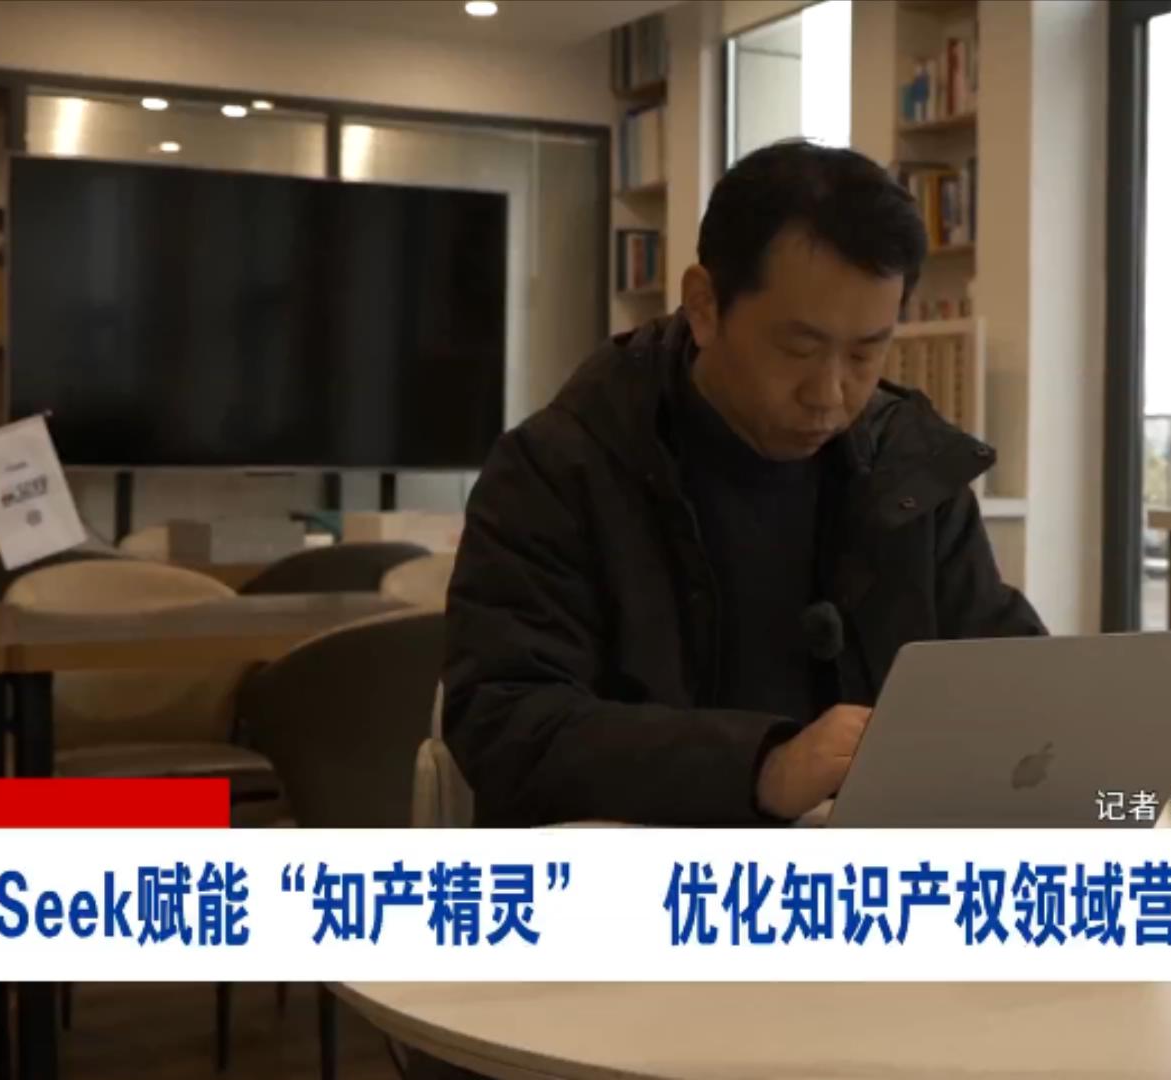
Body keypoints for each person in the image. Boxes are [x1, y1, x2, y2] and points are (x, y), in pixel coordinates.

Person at [442, 139, 1044, 826]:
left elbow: (1007, 677)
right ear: (703, 305)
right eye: (798, 348)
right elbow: (506, 722)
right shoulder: (559, 470)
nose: (830, 394)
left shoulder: (910, 469)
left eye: (865, 353)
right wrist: (762, 767)